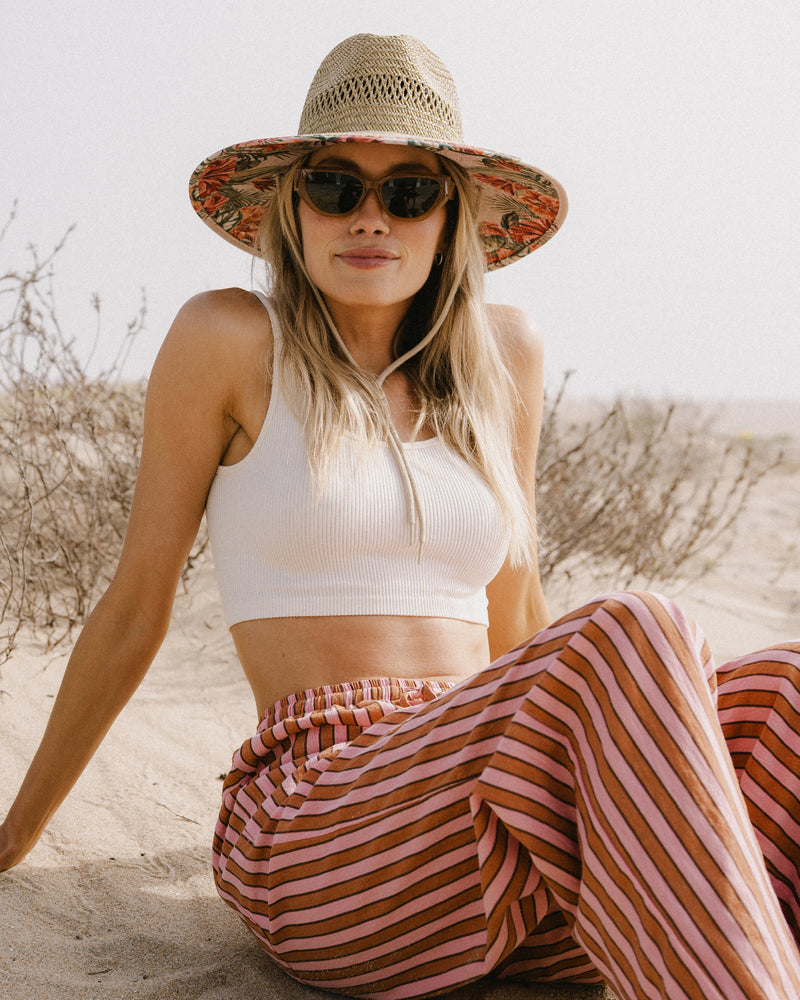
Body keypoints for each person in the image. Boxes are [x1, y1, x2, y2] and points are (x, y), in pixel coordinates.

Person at [1, 32, 799, 1000]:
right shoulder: (231, 338)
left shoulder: (503, 353)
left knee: (783, 696)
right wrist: (15, 834)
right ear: (291, 210)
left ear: (451, 216)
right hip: (325, 824)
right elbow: (137, 603)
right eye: (334, 186)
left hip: (491, 821)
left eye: (409, 190)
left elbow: (517, 612)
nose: (370, 216)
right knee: (636, 627)